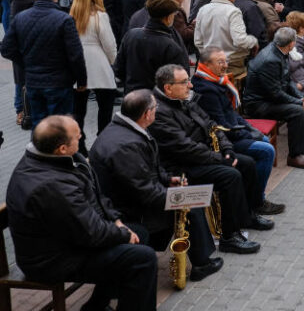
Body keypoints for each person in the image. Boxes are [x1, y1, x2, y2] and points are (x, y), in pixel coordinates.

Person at [5, 115, 158, 311]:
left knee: (139, 233)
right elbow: (90, 233)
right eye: (78, 137)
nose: (82, 137)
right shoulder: (51, 186)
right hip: (52, 260)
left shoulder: (60, 159)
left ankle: (97, 305)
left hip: (69, 240)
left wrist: (116, 221)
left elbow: (95, 196)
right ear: (62, 148)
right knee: (141, 259)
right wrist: (122, 234)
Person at [89, 90, 223, 283]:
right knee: (193, 204)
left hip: (132, 197)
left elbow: (148, 169)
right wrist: (176, 196)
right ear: (146, 114)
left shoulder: (126, 129)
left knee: (191, 195)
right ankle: (201, 264)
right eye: (155, 108)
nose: (157, 111)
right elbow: (143, 191)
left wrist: (168, 179)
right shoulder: (126, 145)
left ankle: (200, 258)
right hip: (128, 208)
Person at [149, 64, 265, 253]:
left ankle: (248, 216)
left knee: (247, 163)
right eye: (185, 82)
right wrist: (220, 159)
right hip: (181, 166)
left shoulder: (184, 99)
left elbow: (212, 125)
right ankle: (229, 236)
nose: (190, 85)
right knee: (230, 176)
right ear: (168, 88)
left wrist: (227, 149)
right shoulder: (160, 112)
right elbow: (185, 149)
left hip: (203, 155)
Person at [192, 47, 284, 214]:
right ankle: (257, 201)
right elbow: (221, 125)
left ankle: (254, 195)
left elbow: (231, 114)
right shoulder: (206, 89)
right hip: (225, 139)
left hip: (233, 131)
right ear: (206, 64)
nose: (225, 65)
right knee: (266, 150)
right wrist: (247, 133)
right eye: (220, 62)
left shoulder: (216, 81)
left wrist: (249, 128)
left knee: (262, 140)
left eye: (226, 61)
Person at [1, 0, 86, 124]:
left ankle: (40, 146)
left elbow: (6, 49)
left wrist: (25, 61)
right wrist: (81, 80)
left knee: (39, 123)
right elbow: (75, 54)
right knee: (60, 125)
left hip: (34, 81)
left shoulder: (21, 18)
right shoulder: (65, 19)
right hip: (59, 81)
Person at [244, 28, 304, 169]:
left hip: (270, 97)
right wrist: (300, 103)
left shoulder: (279, 50)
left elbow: (287, 81)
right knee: (297, 111)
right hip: (259, 104)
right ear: (291, 43)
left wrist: (301, 98)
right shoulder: (270, 59)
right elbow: (275, 94)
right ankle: (294, 156)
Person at [69, 0, 119, 145]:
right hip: (99, 63)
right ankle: (102, 142)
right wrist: (113, 62)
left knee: (78, 109)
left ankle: (79, 144)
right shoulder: (100, 16)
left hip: (76, 65)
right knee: (105, 108)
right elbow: (109, 44)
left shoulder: (71, 17)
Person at [115, 0, 190, 92]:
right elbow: (178, 79)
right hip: (157, 99)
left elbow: (119, 69)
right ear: (168, 17)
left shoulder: (131, 35)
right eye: (173, 14)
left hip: (132, 95)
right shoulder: (170, 46)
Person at [194, 0, 259, 80]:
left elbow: (198, 41)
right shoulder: (233, 11)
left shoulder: (203, 10)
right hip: (231, 65)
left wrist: (210, 58)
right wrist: (253, 41)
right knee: (230, 94)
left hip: (208, 64)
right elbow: (240, 40)